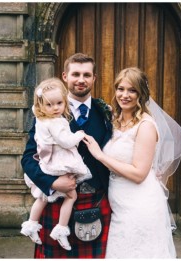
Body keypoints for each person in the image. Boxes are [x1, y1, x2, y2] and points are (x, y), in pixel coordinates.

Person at [82, 67, 181, 258]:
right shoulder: (114, 121)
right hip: (117, 202)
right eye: (120, 89)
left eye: (132, 90)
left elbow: (139, 174)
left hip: (140, 204)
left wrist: (101, 156)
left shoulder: (146, 125)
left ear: (141, 94)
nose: (125, 95)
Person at [21, 53, 113, 258]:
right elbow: (28, 158)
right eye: (76, 74)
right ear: (65, 76)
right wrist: (52, 183)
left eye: (87, 74)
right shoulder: (47, 112)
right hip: (56, 200)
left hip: (96, 200)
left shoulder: (104, 112)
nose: (81, 79)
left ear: (94, 78)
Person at [20, 78, 91, 251]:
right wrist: (79, 135)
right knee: (70, 195)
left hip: (50, 164)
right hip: (60, 165)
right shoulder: (55, 121)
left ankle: (31, 224)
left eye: (59, 103)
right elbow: (65, 141)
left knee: (42, 197)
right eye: (50, 105)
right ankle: (60, 229)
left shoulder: (43, 119)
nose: (55, 108)